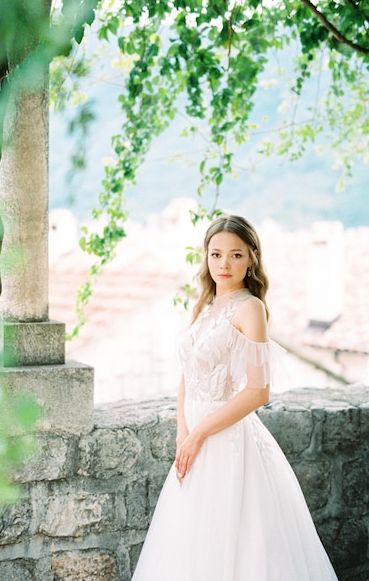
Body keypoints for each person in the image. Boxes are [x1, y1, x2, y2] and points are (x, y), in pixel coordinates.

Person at [132, 214, 338, 581]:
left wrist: (199, 433)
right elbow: (188, 376)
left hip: (227, 440)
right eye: (215, 254)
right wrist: (184, 432)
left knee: (241, 543)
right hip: (194, 443)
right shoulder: (206, 307)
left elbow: (259, 391)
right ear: (206, 258)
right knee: (191, 544)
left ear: (252, 258)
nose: (224, 264)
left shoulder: (250, 308)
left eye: (235, 255)